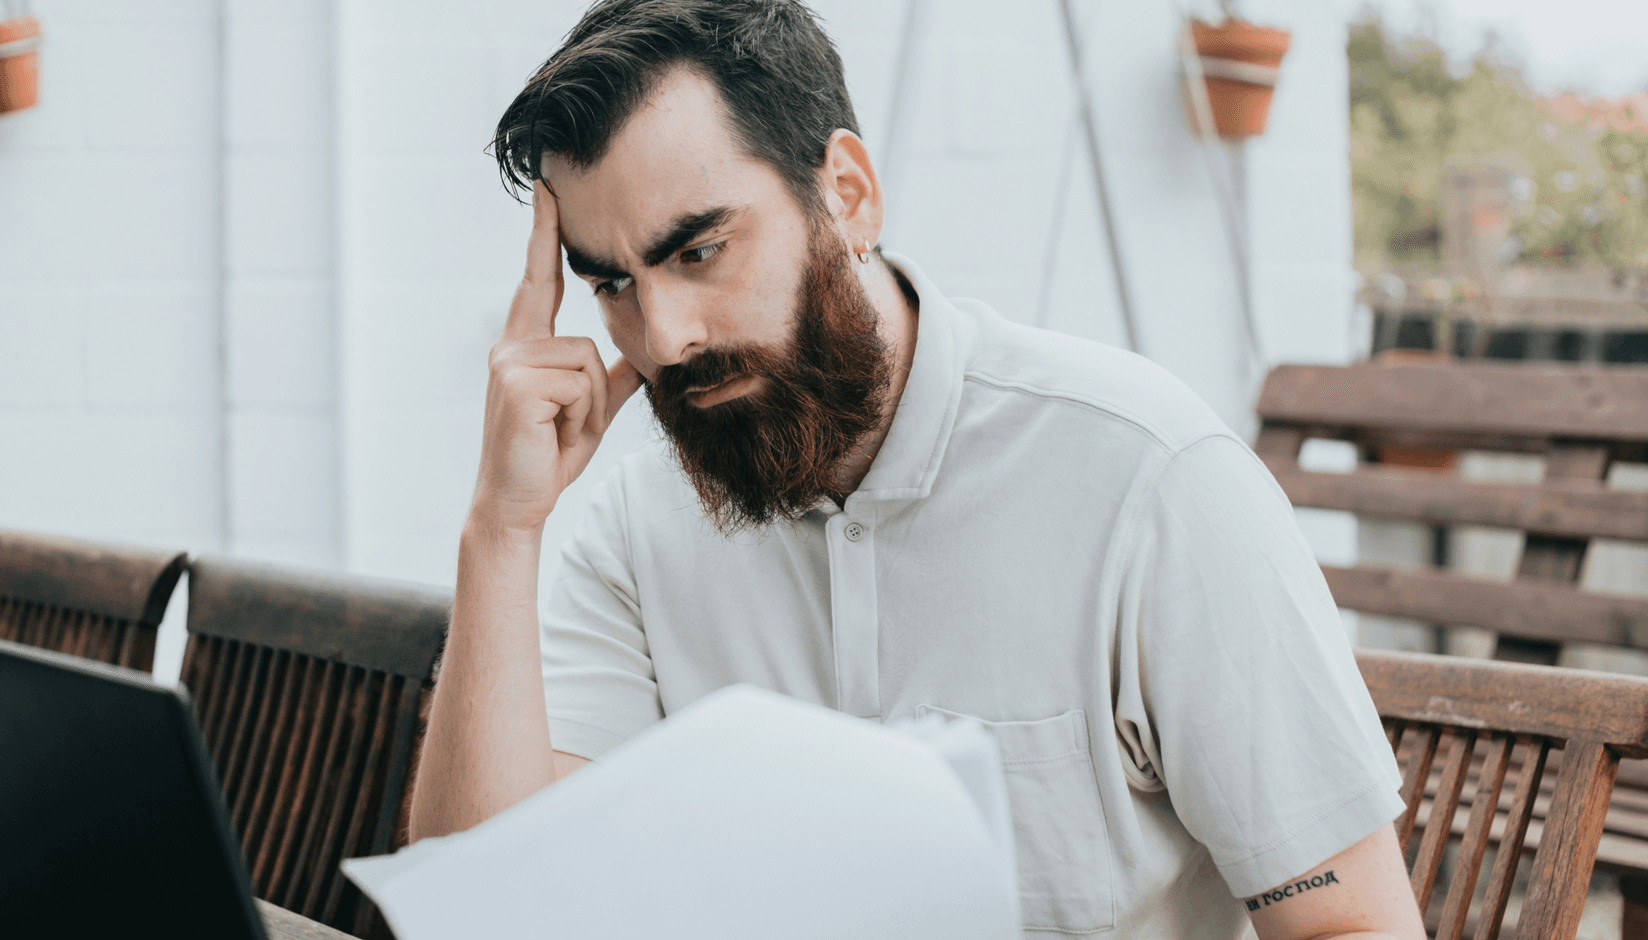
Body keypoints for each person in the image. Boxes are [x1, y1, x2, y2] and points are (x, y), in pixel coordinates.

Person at [406, 1, 1425, 937]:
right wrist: (503, 529)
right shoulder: (638, 521)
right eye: (611, 283)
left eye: (699, 253)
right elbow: (491, 912)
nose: (662, 339)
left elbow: (1355, 922)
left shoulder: (1147, 480)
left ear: (845, 195)